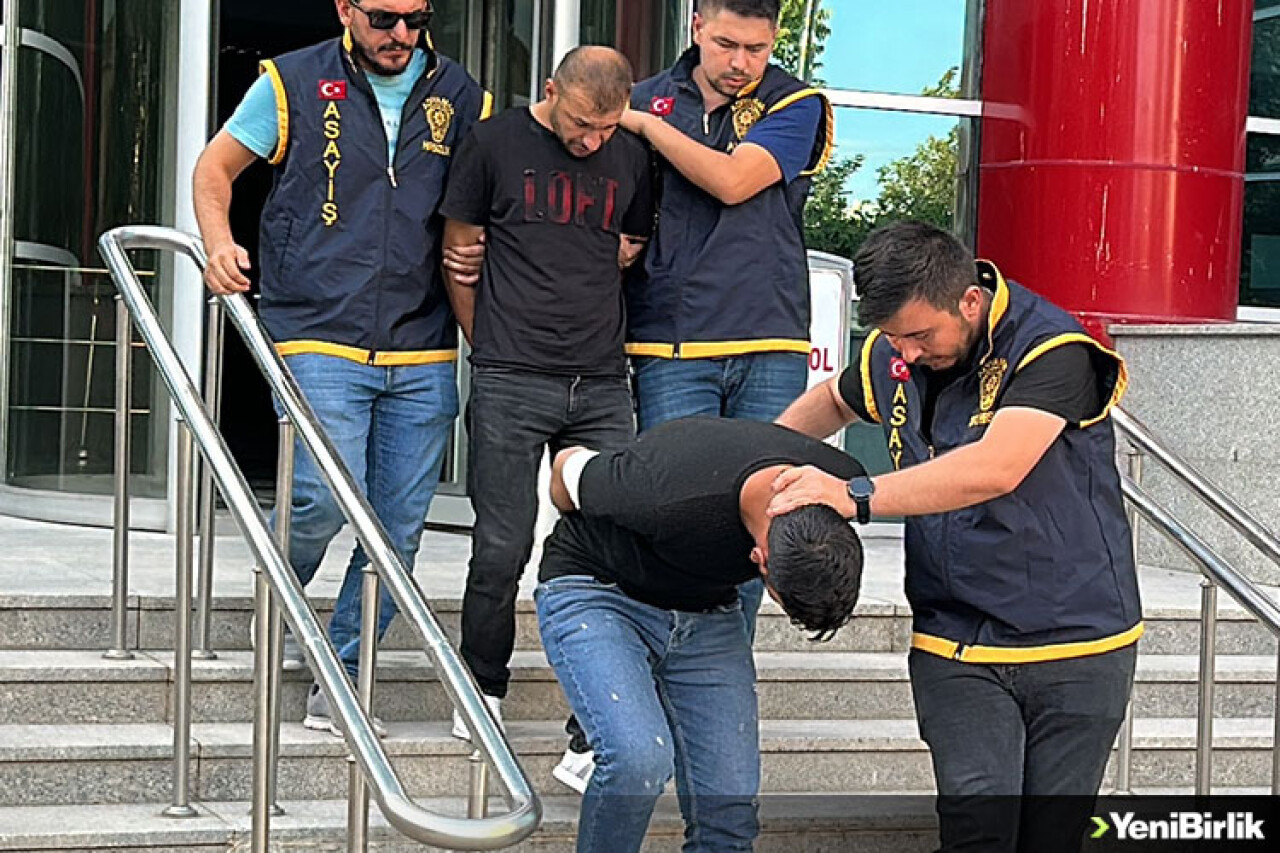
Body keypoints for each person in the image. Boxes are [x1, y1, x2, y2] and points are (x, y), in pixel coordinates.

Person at [770, 221, 1143, 853]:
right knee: (977, 832)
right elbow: (834, 398)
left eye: (920, 336)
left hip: (1076, 641)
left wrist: (853, 494)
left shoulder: (1053, 349)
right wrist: (755, 462)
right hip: (955, 640)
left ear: (969, 300)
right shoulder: (895, 349)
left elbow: (996, 468)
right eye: (894, 337)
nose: (907, 353)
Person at [192, 0, 489, 735]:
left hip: (421, 341)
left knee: (398, 528)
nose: (402, 35)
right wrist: (219, 242)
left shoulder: (463, 95)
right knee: (320, 497)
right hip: (315, 326)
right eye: (385, 18)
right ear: (345, 10)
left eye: (418, 19)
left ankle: (345, 675)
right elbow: (215, 167)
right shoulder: (290, 82)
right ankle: (279, 590)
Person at [437, 46, 653, 761]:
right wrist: (492, 346)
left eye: (607, 127)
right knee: (502, 545)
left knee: (614, 544)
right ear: (551, 90)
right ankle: (480, 688)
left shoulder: (630, 157)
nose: (592, 141)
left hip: (601, 379)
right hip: (511, 376)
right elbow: (458, 254)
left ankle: (597, 716)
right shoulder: (492, 143)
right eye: (582, 123)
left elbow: (629, 245)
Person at [538, 416, 864, 853]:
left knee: (728, 810)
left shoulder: (843, 485)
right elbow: (566, 468)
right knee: (638, 760)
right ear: (760, 559)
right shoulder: (658, 490)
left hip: (707, 609)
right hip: (599, 588)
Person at [619, 0, 833, 432]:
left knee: (764, 475)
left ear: (775, 38)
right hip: (667, 338)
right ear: (697, 27)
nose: (740, 62)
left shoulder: (794, 101)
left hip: (768, 338)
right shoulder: (643, 98)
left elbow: (734, 182)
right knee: (677, 477)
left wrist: (647, 126)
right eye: (725, 44)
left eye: (756, 49)